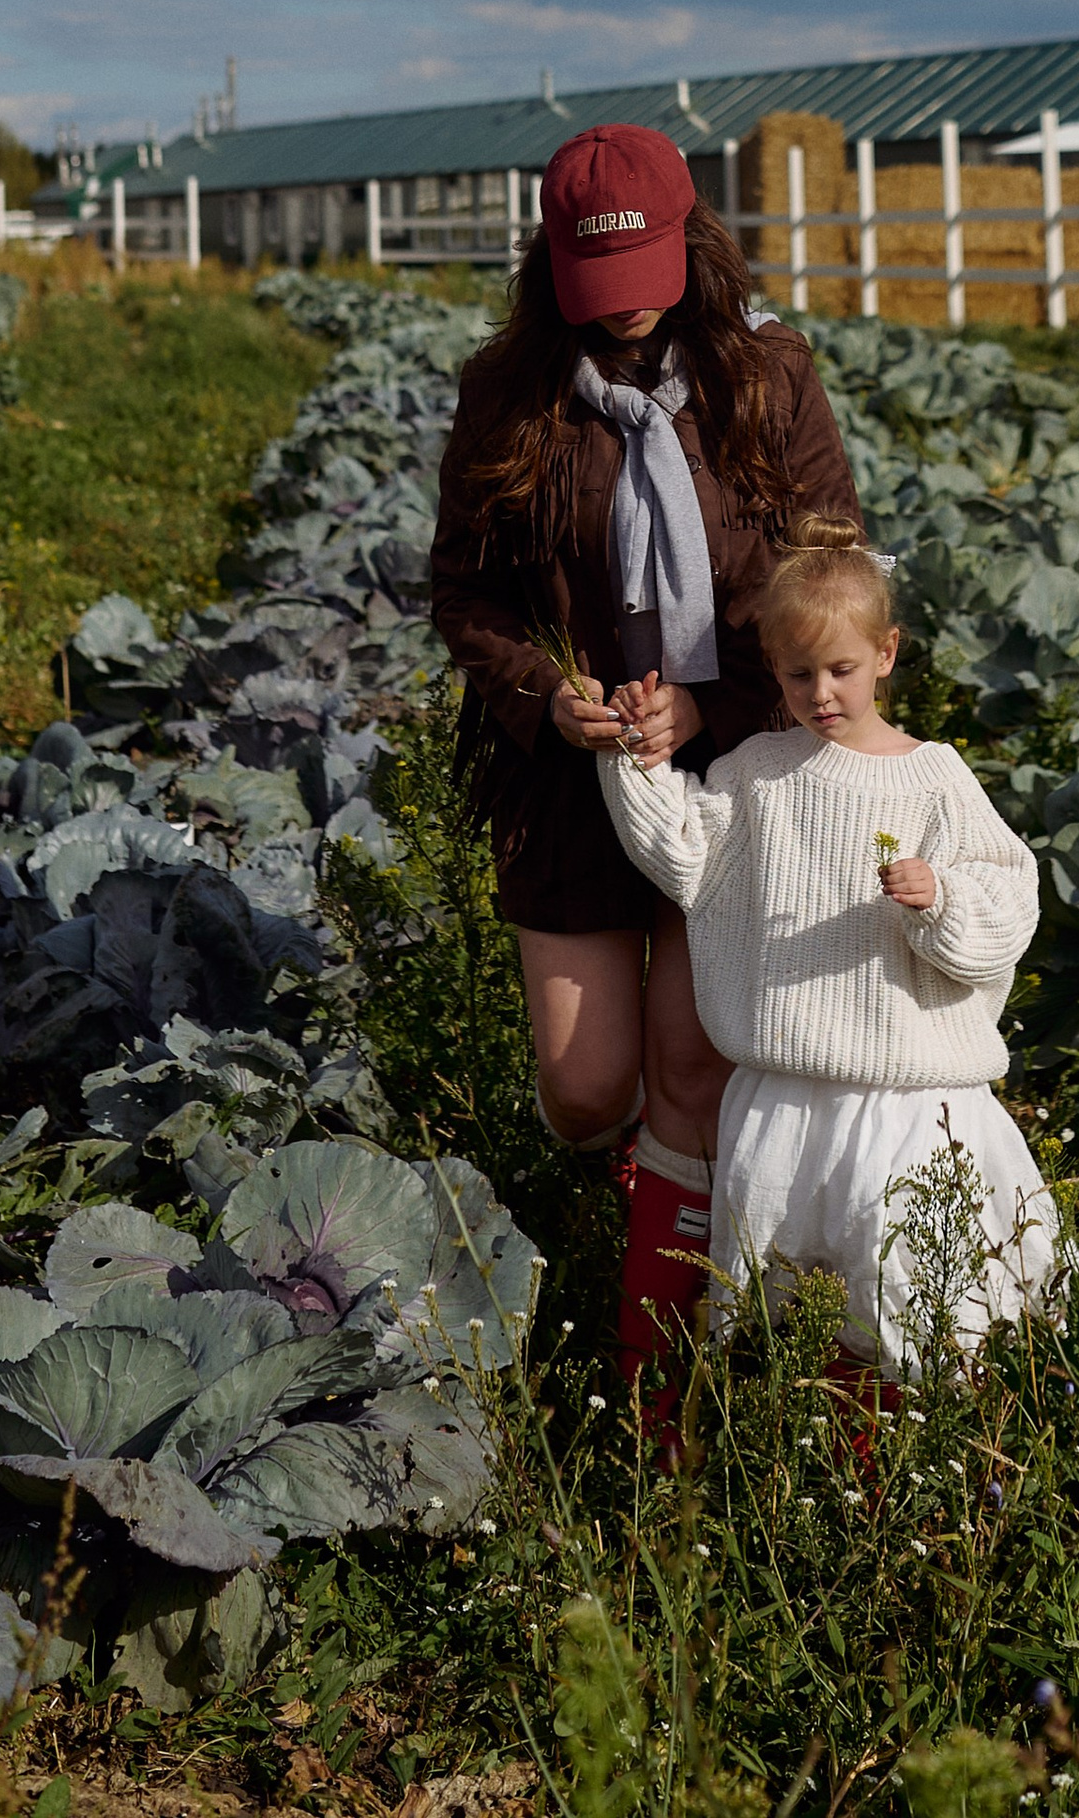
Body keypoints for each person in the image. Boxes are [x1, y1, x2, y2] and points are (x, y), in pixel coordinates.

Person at [430, 120, 862, 1411]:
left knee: (691, 1064)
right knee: (584, 1086)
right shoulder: (506, 395)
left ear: (693, 246)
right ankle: (645, 1191)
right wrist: (546, 696)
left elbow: (830, 574)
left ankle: (659, 1378)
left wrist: (711, 697)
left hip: (732, 769)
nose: (618, 311)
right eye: (593, 283)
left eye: (640, 276)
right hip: (569, 781)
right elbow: (463, 594)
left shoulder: (769, 382)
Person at [597, 520, 1063, 1381]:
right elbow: (686, 853)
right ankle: (807, 1455)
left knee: (905, 1296)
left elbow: (1009, 899)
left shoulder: (935, 777)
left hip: (910, 1100)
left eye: (842, 669)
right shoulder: (759, 772)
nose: (821, 692)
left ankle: (899, 1467)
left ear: (886, 653)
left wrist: (942, 898)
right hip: (788, 1096)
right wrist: (633, 755)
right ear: (771, 667)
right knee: (794, 1308)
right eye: (797, 672)